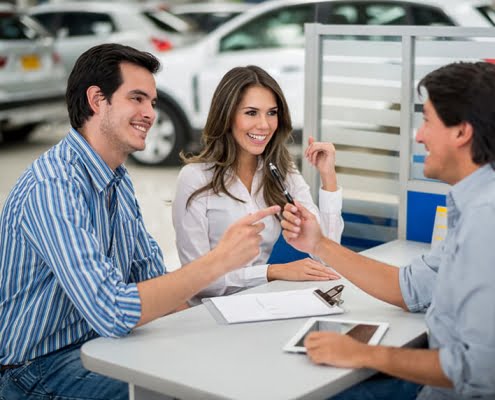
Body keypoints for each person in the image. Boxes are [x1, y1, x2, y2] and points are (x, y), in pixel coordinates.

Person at [0, 44, 279, 400]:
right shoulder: (53, 187)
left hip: (104, 346)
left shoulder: (116, 179)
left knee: (225, 366)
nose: (150, 112)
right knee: (189, 388)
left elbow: (151, 279)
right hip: (37, 370)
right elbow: (113, 310)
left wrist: (224, 332)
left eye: (152, 101)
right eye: (137, 98)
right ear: (97, 100)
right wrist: (218, 261)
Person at [281, 61, 495, 400]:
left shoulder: (486, 219)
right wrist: (318, 244)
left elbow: (481, 371)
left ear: (461, 132)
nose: (419, 135)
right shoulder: (474, 204)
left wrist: (365, 355)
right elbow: (410, 289)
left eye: (427, 120)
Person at [172, 65, 344, 305]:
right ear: (227, 116)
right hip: (209, 315)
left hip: (261, 305)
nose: (264, 125)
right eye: (251, 113)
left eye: (271, 113)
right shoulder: (195, 178)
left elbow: (327, 254)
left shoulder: (282, 172)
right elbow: (196, 280)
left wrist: (329, 179)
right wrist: (271, 272)